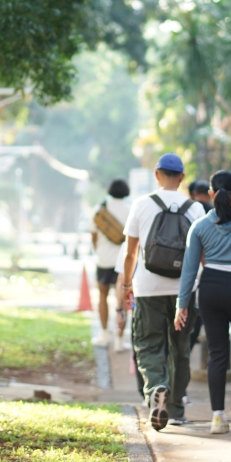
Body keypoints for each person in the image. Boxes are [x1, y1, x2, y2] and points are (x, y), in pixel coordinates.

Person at [123, 153, 206, 430]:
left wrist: (126, 285)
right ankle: (176, 406)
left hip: (147, 289)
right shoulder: (195, 209)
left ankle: (156, 389)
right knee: (180, 348)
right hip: (183, 290)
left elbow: (131, 252)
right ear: (181, 177)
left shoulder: (141, 204)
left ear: (157, 174)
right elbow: (201, 256)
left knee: (148, 344)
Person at [176, 170, 231, 435]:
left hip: (210, 289)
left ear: (210, 194)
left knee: (217, 353)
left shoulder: (199, 227)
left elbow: (189, 271)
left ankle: (217, 417)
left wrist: (182, 304)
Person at [90, 179, 132, 348]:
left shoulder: (100, 210)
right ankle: (119, 340)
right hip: (123, 263)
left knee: (102, 296)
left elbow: (93, 235)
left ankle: (104, 334)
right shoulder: (130, 210)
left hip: (103, 260)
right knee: (122, 299)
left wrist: (98, 250)